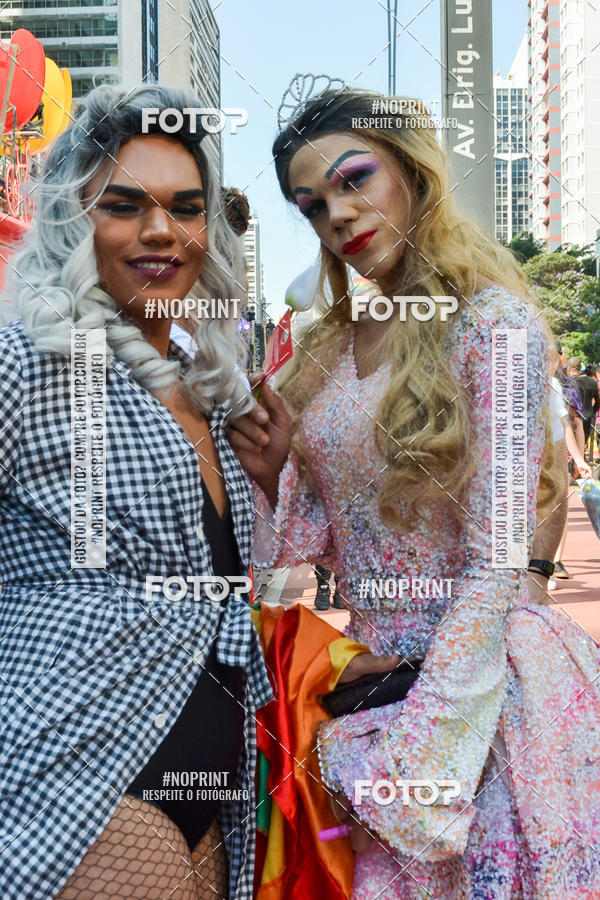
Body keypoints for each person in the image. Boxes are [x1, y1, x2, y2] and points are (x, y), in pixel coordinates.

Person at [229, 82, 600, 897]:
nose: (337, 215)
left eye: (354, 179)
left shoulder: (496, 324)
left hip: (489, 707)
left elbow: (499, 560)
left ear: (411, 169)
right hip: (371, 694)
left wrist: (420, 765)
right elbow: (303, 561)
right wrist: (273, 475)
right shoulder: (326, 350)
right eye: (312, 204)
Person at [0, 84, 272, 899]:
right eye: (124, 206)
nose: (161, 231)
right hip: (77, 788)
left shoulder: (211, 386)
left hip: (214, 799)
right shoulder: (32, 359)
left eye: (186, 208)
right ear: (72, 221)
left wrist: (271, 477)